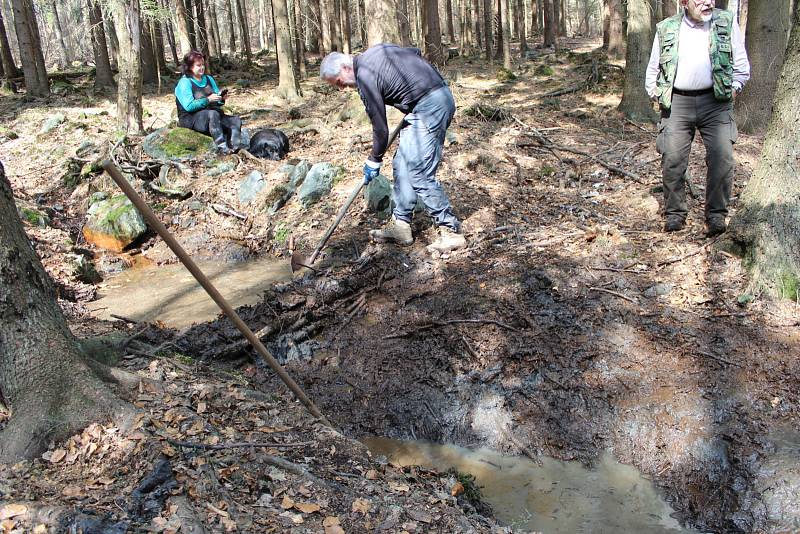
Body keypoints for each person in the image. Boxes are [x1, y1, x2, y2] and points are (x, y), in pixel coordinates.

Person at [319, 45, 466, 253]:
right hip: (424, 103)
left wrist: (374, 159)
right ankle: (401, 225)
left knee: (419, 170)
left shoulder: (365, 77)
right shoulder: (375, 53)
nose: (342, 88)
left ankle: (450, 230)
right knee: (402, 163)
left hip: (431, 105)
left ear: (344, 68)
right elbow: (414, 51)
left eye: (339, 83)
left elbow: (380, 127)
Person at [645, 0, 750, 236]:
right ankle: (674, 214)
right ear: (684, 2)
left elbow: (741, 65)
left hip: (716, 103)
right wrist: (657, 94)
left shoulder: (725, 22)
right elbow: (653, 69)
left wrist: (732, 89)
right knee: (672, 160)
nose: (708, 2)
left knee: (722, 157)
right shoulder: (666, 28)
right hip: (677, 103)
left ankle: (716, 216)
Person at [174, 50, 243, 155]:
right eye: (198, 65)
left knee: (235, 120)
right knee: (213, 114)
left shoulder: (209, 79)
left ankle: (234, 148)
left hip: (212, 116)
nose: (202, 68)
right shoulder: (184, 82)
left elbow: (216, 101)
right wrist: (207, 100)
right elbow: (189, 106)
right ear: (189, 67)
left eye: (203, 65)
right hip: (190, 119)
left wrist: (220, 99)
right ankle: (222, 147)